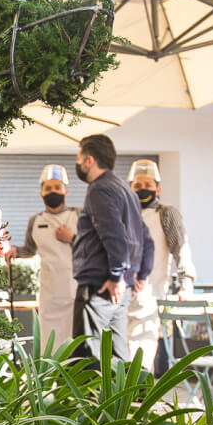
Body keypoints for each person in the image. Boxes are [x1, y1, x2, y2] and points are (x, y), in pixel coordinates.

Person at [71, 134, 153, 362]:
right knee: (117, 356)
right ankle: (121, 398)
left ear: (90, 161)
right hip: (122, 286)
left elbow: (113, 234)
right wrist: (140, 275)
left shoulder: (100, 189)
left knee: (87, 355)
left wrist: (116, 275)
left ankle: (88, 398)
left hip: (102, 285)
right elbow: (146, 238)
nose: (78, 164)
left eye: (79, 159)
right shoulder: (126, 191)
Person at [125, 159, 197, 372]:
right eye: (138, 185)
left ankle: (139, 389)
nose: (143, 189)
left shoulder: (167, 213)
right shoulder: (123, 213)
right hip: (121, 290)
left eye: (148, 185)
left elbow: (180, 248)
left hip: (151, 291)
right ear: (130, 188)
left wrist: (186, 284)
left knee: (142, 344)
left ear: (158, 188)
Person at [7, 164, 78, 348]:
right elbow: (30, 249)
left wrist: (72, 238)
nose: (53, 191)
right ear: (41, 193)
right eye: (48, 188)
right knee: (49, 340)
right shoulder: (35, 220)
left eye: (57, 187)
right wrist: (15, 251)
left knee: (74, 340)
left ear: (66, 191)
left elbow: (92, 246)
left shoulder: (78, 215)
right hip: (49, 291)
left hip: (75, 290)